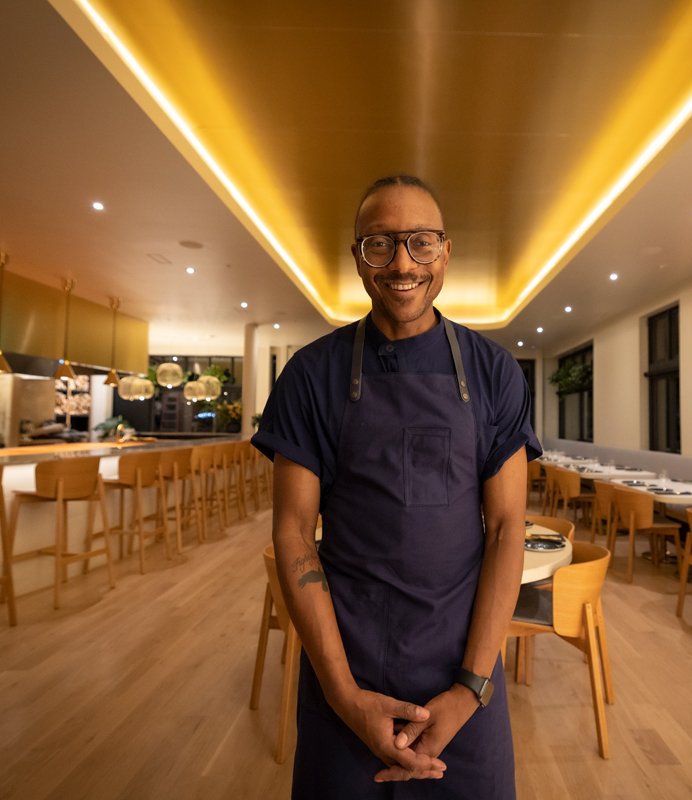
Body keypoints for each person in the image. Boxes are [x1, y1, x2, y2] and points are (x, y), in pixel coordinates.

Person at [253, 174, 542, 798]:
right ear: (357, 257)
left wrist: (471, 688)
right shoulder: (311, 375)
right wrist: (343, 694)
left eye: (420, 242)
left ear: (447, 251)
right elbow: (293, 531)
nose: (402, 263)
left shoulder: (494, 374)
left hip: (464, 672)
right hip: (346, 670)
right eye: (380, 244)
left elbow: (507, 529)